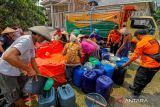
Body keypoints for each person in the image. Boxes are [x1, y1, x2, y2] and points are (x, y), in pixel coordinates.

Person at [0, 26, 52, 107]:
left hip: (16, 71)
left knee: (24, 86)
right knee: (14, 96)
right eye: (44, 37)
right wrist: (28, 69)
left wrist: (39, 74)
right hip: (6, 72)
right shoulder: (26, 40)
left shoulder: (32, 43)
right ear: (37, 35)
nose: (44, 40)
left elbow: (33, 60)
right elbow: (7, 56)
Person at [123, 29, 160, 97]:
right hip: (157, 64)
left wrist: (125, 64)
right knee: (146, 79)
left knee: (140, 79)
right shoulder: (153, 39)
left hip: (148, 65)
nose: (136, 38)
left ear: (139, 35)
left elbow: (134, 56)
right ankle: (135, 88)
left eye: (136, 36)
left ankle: (136, 94)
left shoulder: (141, 42)